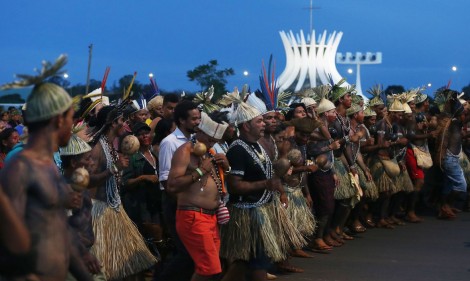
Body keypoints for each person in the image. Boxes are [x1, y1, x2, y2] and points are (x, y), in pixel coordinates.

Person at [0, 55, 92, 281]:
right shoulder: (20, 167)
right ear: (58, 120)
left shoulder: (48, 165)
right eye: (71, 118)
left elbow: (56, 227)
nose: (72, 125)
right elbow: (8, 242)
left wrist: (83, 271)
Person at [220, 99, 305, 281]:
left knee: (248, 261)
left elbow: (268, 175)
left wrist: (279, 184)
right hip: (247, 213)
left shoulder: (258, 145)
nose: (264, 123)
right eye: (258, 121)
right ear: (245, 126)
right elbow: (234, 185)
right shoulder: (237, 150)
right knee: (256, 261)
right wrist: (265, 184)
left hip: (262, 210)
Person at [88, 105, 156, 280]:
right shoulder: (97, 148)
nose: (125, 124)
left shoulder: (111, 145)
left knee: (127, 267)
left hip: (114, 209)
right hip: (100, 212)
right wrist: (114, 169)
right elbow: (88, 181)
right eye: (122, 121)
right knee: (107, 269)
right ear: (112, 123)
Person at [167, 112, 229, 281]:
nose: (213, 144)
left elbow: (216, 183)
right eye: (210, 139)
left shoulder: (209, 152)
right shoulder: (185, 150)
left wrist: (226, 167)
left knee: (210, 267)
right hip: (193, 216)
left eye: (215, 141)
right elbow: (172, 185)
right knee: (210, 269)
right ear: (200, 132)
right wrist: (200, 171)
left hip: (211, 218)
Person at [156, 100, 200, 281]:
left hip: (190, 205)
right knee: (185, 253)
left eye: (199, 118)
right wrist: (183, 206)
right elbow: (167, 183)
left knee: (192, 253)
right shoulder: (170, 143)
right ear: (182, 120)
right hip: (176, 205)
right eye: (194, 119)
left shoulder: (195, 141)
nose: (198, 122)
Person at [59, 131, 105, 280]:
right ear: (73, 163)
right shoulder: (65, 191)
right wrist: (83, 255)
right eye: (87, 159)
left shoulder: (78, 183)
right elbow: (64, 229)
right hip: (71, 257)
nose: (91, 163)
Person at [122, 122, 163, 254]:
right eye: (140, 134)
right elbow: (125, 182)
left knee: (158, 237)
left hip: (155, 202)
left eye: (147, 133)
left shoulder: (154, 154)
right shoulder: (132, 157)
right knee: (146, 237)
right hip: (141, 205)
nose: (145, 136)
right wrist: (143, 178)